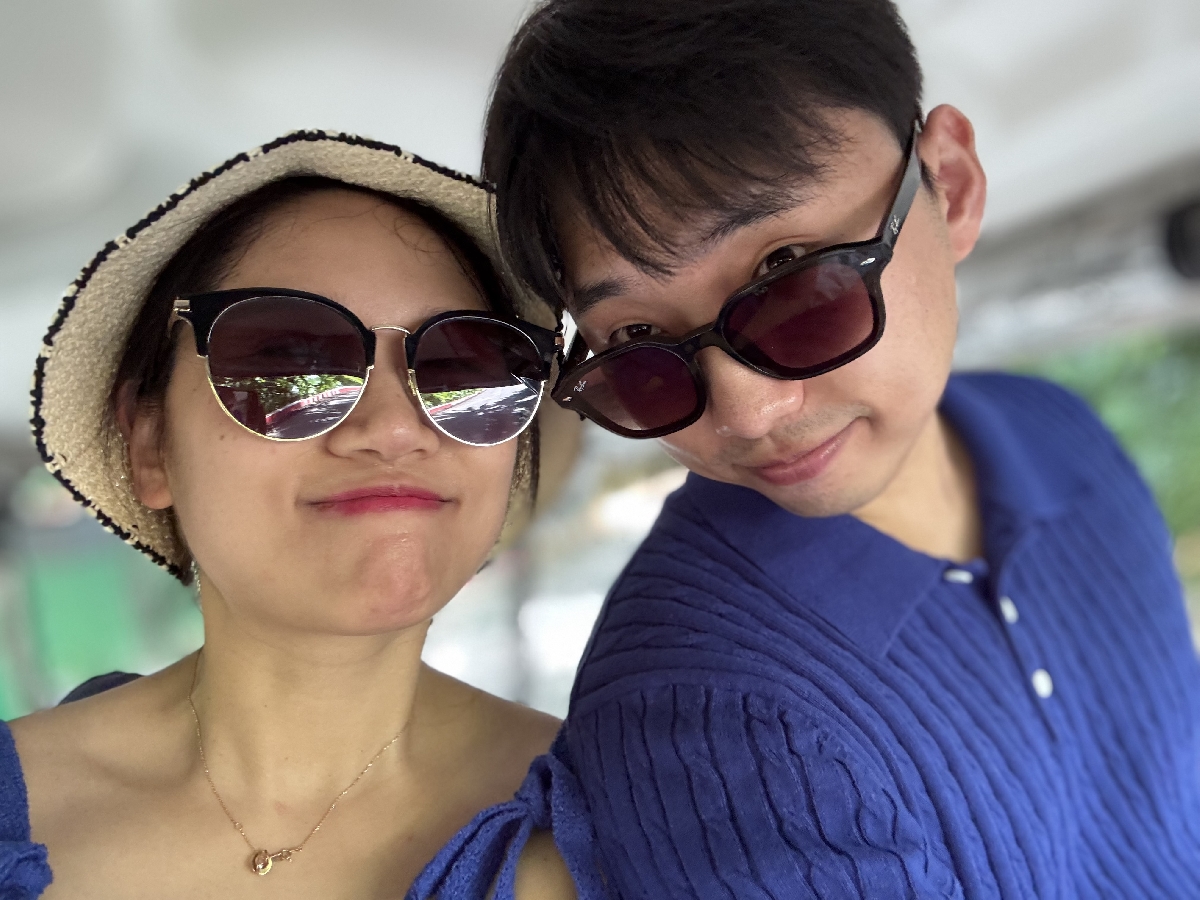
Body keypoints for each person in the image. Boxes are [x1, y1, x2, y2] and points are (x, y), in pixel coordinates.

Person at [482, 0, 1200, 896]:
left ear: (951, 186)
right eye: (639, 346)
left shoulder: (1062, 433)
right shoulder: (708, 717)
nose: (746, 411)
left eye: (793, 278)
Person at [0, 131, 591, 899]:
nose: (395, 428)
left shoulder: (630, 826)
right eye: (285, 365)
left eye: (464, 367)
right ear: (150, 446)